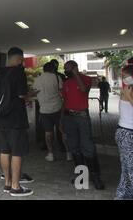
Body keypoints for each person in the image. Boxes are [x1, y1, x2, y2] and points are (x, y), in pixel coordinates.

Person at [0, 47, 34, 197]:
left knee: (4, 150)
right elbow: (22, 94)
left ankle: (7, 183)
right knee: (17, 152)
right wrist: (30, 95)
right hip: (16, 120)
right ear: (20, 59)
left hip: (1, 119)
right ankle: (16, 187)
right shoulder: (18, 72)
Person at [61, 60, 104, 190]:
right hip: (69, 117)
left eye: (68, 68)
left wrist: (76, 74)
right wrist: (61, 119)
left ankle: (96, 177)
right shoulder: (66, 83)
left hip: (82, 118)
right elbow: (65, 101)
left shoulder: (86, 79)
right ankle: (82, 176)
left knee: (88, 146)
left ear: (75, 68)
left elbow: (84, 90)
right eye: (65, 68)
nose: (66, 71)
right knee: (74, 147)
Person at [33, 62, 71, 162]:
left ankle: (51, 154)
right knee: (62, 131)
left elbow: (34, 91)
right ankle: (68, 153)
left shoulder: (38, 79)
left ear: (44, 69)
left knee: (48, 133)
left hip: (45, 110)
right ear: (53, 69)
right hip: (58, 108)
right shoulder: (57, 77)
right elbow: (62, 92)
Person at [115, 65, 133, 200]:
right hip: (127, 133)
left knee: (127, 167)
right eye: (123, 76)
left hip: (125, 132)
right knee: (129, 167)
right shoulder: (127, 90)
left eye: (126, 76)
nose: (124, 79)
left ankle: (123, 194)